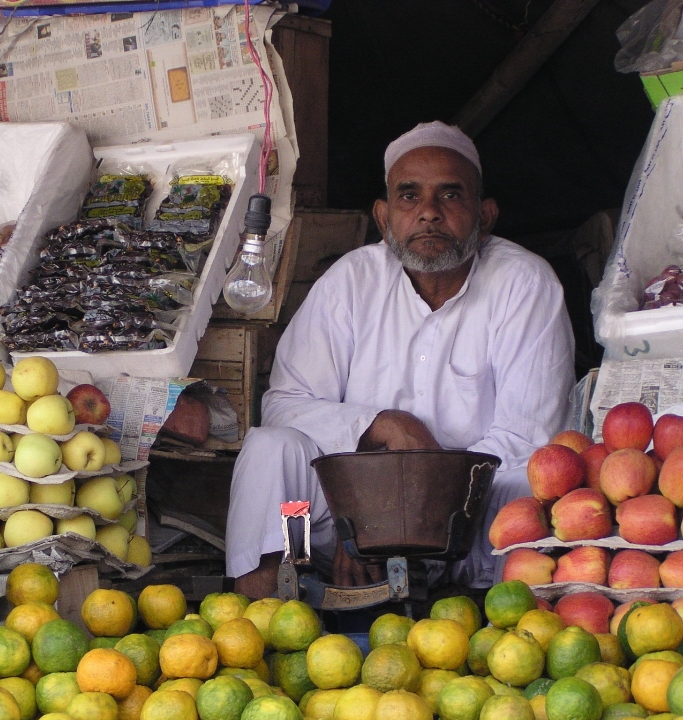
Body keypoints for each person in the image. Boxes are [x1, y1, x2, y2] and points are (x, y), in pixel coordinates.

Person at [226, 121, 576, 599]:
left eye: (450, 196)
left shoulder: (525, 285)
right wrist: (383, 429)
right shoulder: (351, 282)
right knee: (274, 449)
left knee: (527, 484)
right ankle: (266, 613)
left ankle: (501, 631)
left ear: (485, 215)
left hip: (474, 528)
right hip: (339, 527)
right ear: (383, 215)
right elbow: (287, 403)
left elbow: (526, 437)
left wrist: (391, 515)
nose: (429, 213)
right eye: (409, 196)